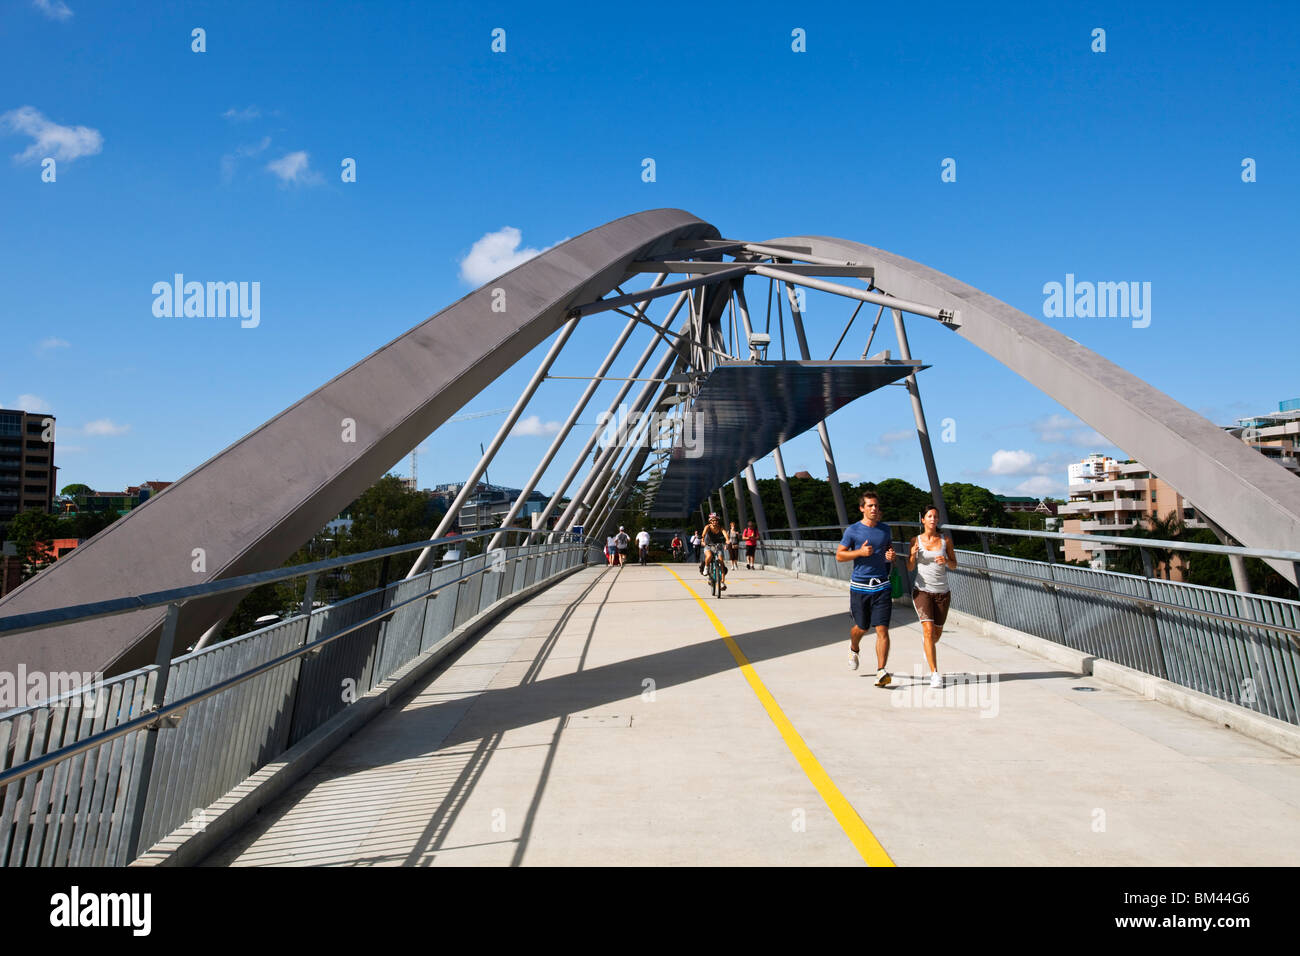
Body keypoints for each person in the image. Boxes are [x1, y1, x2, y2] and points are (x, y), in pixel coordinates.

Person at [836, 491, 896, 686]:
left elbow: (888, 551)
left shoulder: (885, 530)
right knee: (861, 628)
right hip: (860, 587)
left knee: (882, 630)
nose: (874, 509)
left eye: (876, 506)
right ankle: (854, 648)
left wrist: (890, 557)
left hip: (882, 585)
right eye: (870, 506)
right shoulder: (853, 531)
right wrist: (860, 552)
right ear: (862, 508)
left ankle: (881, 671)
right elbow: (839, 556)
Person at [908, 506, 956, 688]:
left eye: (936, 516)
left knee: (936, 634)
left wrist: (947, 561)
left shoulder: (946, 541)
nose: (933, 519)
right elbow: (910, 568)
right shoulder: (915, 540)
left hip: (942, 592)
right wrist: (912, 556)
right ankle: (935, 673)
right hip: (922, 591)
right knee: (928, 631)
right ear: (923, 520)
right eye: (929, 516)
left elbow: (954, 565)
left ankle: (928, 645)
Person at [701, 513, 728, 591]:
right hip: (708, 545)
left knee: (721, 562)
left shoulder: (721, 528)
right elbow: (703, 534)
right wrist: (702, 541)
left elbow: (726, 535)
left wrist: (728, 540)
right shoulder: (708, 527)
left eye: (716, 520)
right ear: (710, 521)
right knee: (709, 556)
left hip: (718, 546)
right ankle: (706, 568)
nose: (714, 522)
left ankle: (722, 582)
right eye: (713, 520)